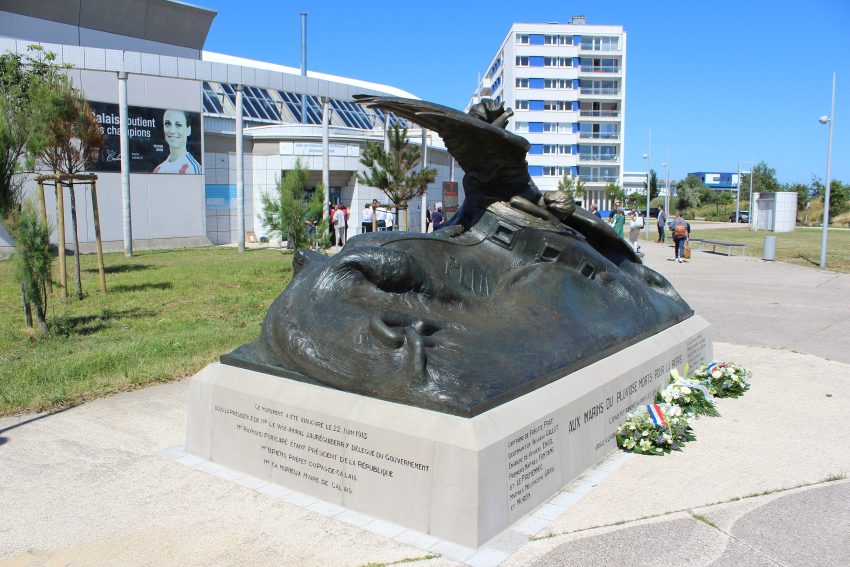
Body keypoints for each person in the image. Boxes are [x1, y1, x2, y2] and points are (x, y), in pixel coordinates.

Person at [153, 109, 202, 174]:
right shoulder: (158, 170)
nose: (172, 131)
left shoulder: (193, 168)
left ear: (188, 130)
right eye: (167, 124)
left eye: (178, 125)